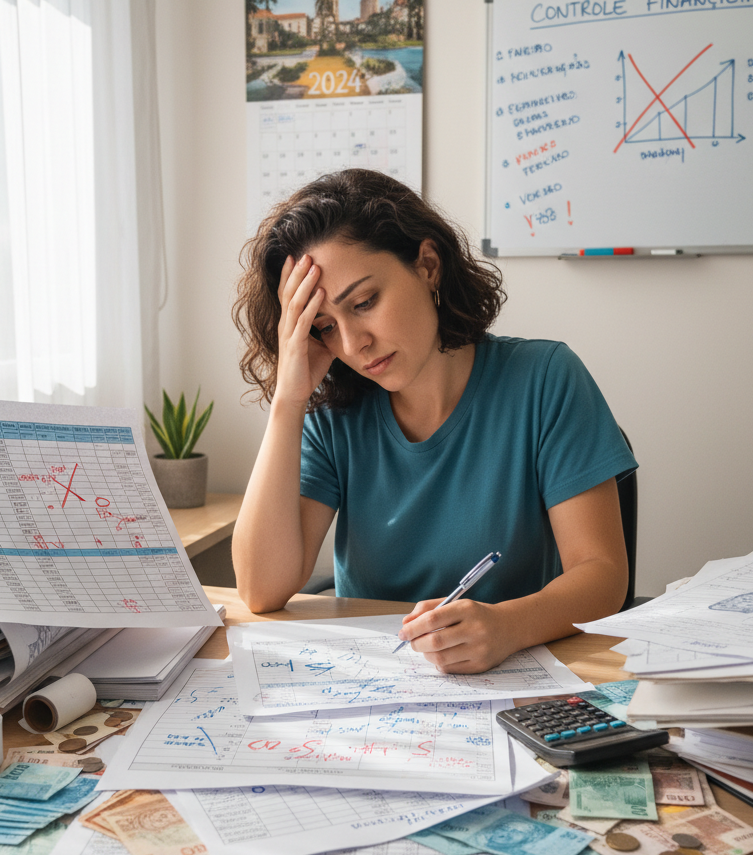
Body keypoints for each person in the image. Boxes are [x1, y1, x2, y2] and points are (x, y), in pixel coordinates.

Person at [231, 169, 636, 674]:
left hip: (517, 673)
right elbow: (260, 590)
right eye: (324, 327)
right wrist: (288, 401)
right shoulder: (335, 414)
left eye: (364, 303)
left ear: (427, 265)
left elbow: (602, 575)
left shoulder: (546, 378)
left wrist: (508, 625)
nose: (354, 344)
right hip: (379, 684)